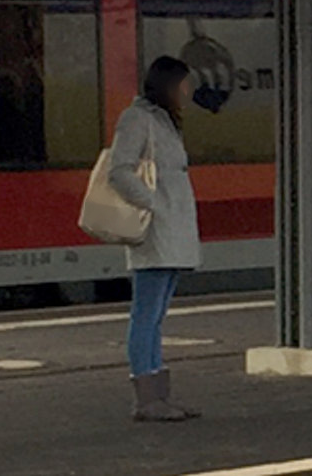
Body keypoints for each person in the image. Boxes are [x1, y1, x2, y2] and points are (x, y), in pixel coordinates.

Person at [101, 56, 206, 422]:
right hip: (155, 229)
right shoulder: (138, 118)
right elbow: (119, 170)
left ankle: (158, 394)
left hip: (171, 229)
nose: (189, 91)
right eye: (184, 84)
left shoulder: (162, 120)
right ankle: (146, 396)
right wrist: (155, 204)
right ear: (168, 84)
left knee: (156, 313)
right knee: (146, 313)